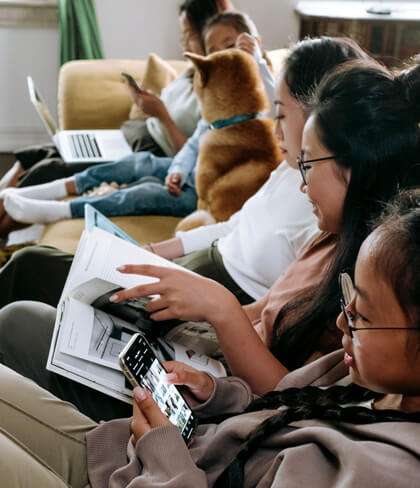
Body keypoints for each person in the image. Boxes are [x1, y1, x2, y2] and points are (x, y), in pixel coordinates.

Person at [0, 42, 393, 424]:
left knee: (22, 316)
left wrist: (219, 314)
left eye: (308, 165)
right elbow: (259, 308)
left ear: (354, 165)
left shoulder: (364, 279)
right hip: (208, 372)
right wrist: (196, 330)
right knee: (32, 290)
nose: (300, 181)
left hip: (214, 403)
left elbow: (294, 406)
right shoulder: (327, 235)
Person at [0, 188, 419, 487]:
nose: (343, 324)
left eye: (361, 314)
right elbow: (280, 405)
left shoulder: (380, 471)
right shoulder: (366, 378)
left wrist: (163, 452)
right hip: (121, 459)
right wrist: (218, 395)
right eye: (347, 300)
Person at [0, 36, 366, 312]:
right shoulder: (291, 172)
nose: (274, 130)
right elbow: (233, 226)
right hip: (185, 273)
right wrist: (158, 250)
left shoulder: (324, 205)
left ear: (323, 113)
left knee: (30, 269)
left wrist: (198, 303)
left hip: (194, 301)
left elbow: (272, 316)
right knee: (33, 266)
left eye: (281, 114)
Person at [0, 11, 275, 234]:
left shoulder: (264, 95)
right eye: (212, 50)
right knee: (134, 164)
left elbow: (272, 104)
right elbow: (194, 145)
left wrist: (257, 62)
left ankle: (60, 209)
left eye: (229, 46)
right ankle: (45, 192)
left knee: (141, 192)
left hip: (204, 193)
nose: (221, 56)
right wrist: (177, 170)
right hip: (183, 171)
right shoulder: (214, 103)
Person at [0, 0, 223, 194]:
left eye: (189, 36)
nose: (183, 44)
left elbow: (191, 160)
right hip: (130, 136)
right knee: (32, 156)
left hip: (148, 154)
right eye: (182, 36)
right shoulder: (190, 70)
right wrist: (149, 102)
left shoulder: (217, 92)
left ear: (208, 32)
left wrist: (162, 115)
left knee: (49, 170)